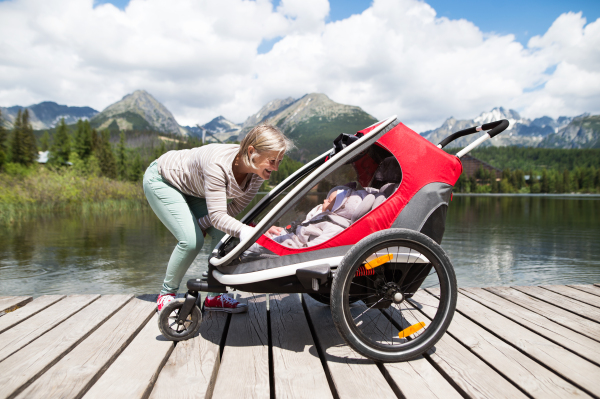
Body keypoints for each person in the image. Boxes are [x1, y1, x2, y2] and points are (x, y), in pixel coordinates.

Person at [143, 124, 293, 313]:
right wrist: (246, 231)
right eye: (272, 160)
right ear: (252, 151)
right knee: (191, 241)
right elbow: (218, 216)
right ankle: (167, 294)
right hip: (163, 179)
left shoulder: (257, 175)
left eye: (279, 161)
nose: (276, 168)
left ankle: (214, 296)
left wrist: (202, 224)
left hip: (194, 189)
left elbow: (233, 209)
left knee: (223, 234)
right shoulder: (218, 165)